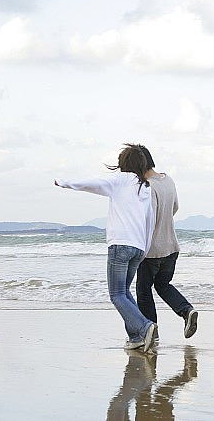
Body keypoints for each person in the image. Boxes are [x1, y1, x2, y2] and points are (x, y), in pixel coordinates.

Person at [55, 143, 157, 352]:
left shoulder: (120, 181)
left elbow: (92, 183)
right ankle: (136, 337)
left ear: (124, 164)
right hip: (138, 248)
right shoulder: (145, 187)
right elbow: (150, 221)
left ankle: (145, 327)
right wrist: (144, 249)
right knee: (125, 293)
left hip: (120, 245)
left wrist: (64, 182)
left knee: (117, 294)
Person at [135, 146, 198, 339]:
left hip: (152, 250)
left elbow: (149, 218)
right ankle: (186, 311)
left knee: (144, 291)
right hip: (172, 246)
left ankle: (150, 333)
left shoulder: (147, 186)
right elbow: (175, 207)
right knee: (163, 285)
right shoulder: (168, 180)